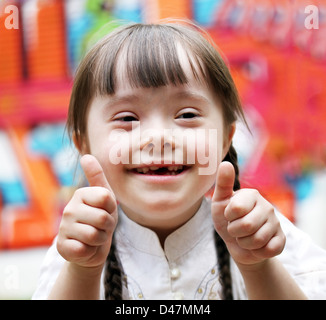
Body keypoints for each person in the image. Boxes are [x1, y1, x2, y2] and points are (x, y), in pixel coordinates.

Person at [33, 20, 326, 300]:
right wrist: (82, 271)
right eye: (126, 118)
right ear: (83, 143)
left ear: (226, 138)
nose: (159, 137)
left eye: (187, 115)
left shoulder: (264, 233)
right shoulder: (73, 250)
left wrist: (258, 266)